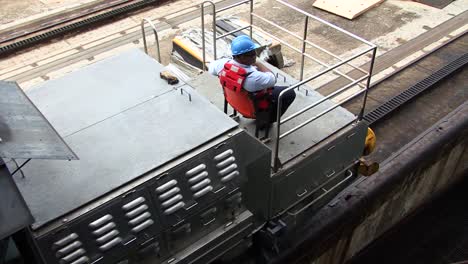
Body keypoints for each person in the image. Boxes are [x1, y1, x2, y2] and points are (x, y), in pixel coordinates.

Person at [208, 35, 296, 123]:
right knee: (289, 93)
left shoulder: (221, 65)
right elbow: (272, 78)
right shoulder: (253, 78)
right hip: (252, 109)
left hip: (234, 102)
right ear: (241, 57)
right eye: (252, 54)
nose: (255, 56)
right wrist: (258, 64)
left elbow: (211, 69)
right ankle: (266, 121)